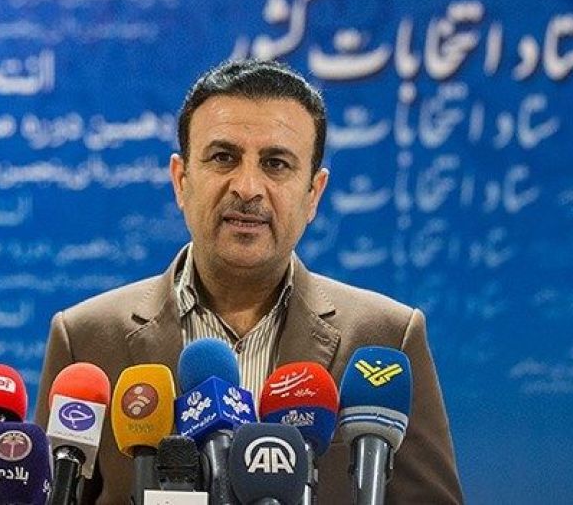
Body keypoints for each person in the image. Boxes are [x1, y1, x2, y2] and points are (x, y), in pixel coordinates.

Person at [35, 59, 463, 504]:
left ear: (313, 194)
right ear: (181, 180)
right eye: (224, 158)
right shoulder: (86, 339)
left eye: (276, 164)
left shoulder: (387, 338)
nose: (247, 187)